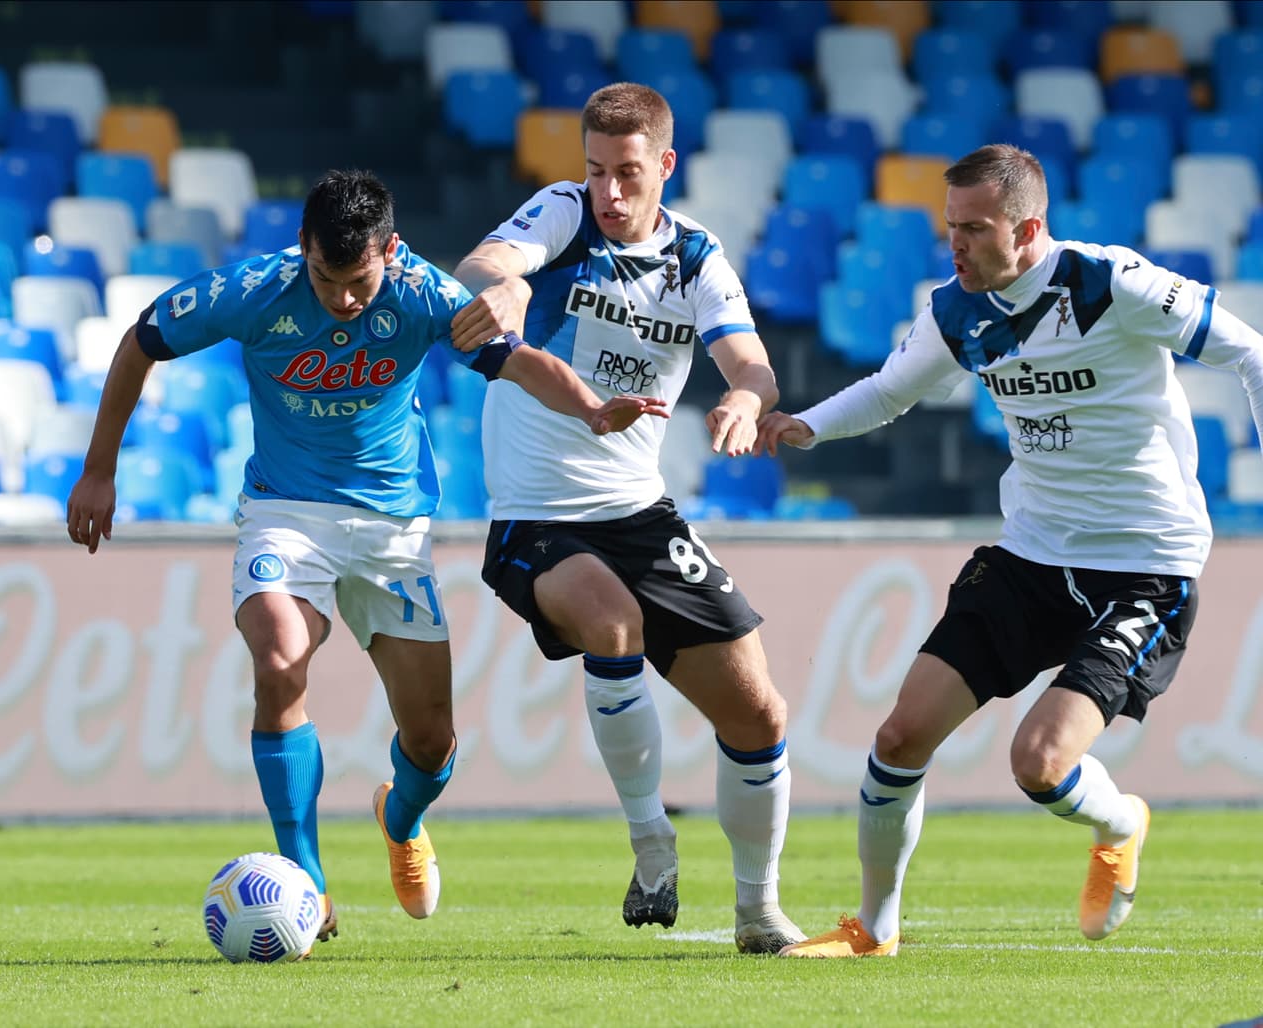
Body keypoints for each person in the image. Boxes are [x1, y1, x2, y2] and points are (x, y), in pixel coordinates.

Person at [65, 169, 664, 951]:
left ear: (393, 251)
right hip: (286, 514)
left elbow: (517, 362)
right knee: (279, 662)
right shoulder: (254, 288)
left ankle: (400, 817)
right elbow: (141, 341)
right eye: (324, 276)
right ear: (303, 249)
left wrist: (590, 408)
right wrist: (100, 467)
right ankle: (304, 875)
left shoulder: (423, 294)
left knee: (432, 744)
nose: (343, 300)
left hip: (393, 532)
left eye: (358, 281)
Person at [754, 143, 1263, 957]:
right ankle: (875, 931)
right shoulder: (957, 309)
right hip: (1031, 556)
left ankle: (1121, 822)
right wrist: (806, 424)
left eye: (974, 229)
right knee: (899, 740)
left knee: (1038, 762)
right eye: (948, 228)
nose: (954, 245)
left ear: (1028, 228)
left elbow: (1250, 351)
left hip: (1146, 567)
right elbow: (891, 390)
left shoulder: (1111, 284)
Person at [449, 82, 804, 954]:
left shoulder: (696, 258)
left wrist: (746, 402)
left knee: (759, 717)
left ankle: (758, 910)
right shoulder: (562, 215)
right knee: (612, 625)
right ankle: (652, 842)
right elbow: (482, 266)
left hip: (640, 514)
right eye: (598, 171)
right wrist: (504, 291)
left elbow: (751, 364)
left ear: (666, 167)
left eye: (629, 174)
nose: (610, 193)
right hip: (535, 516)